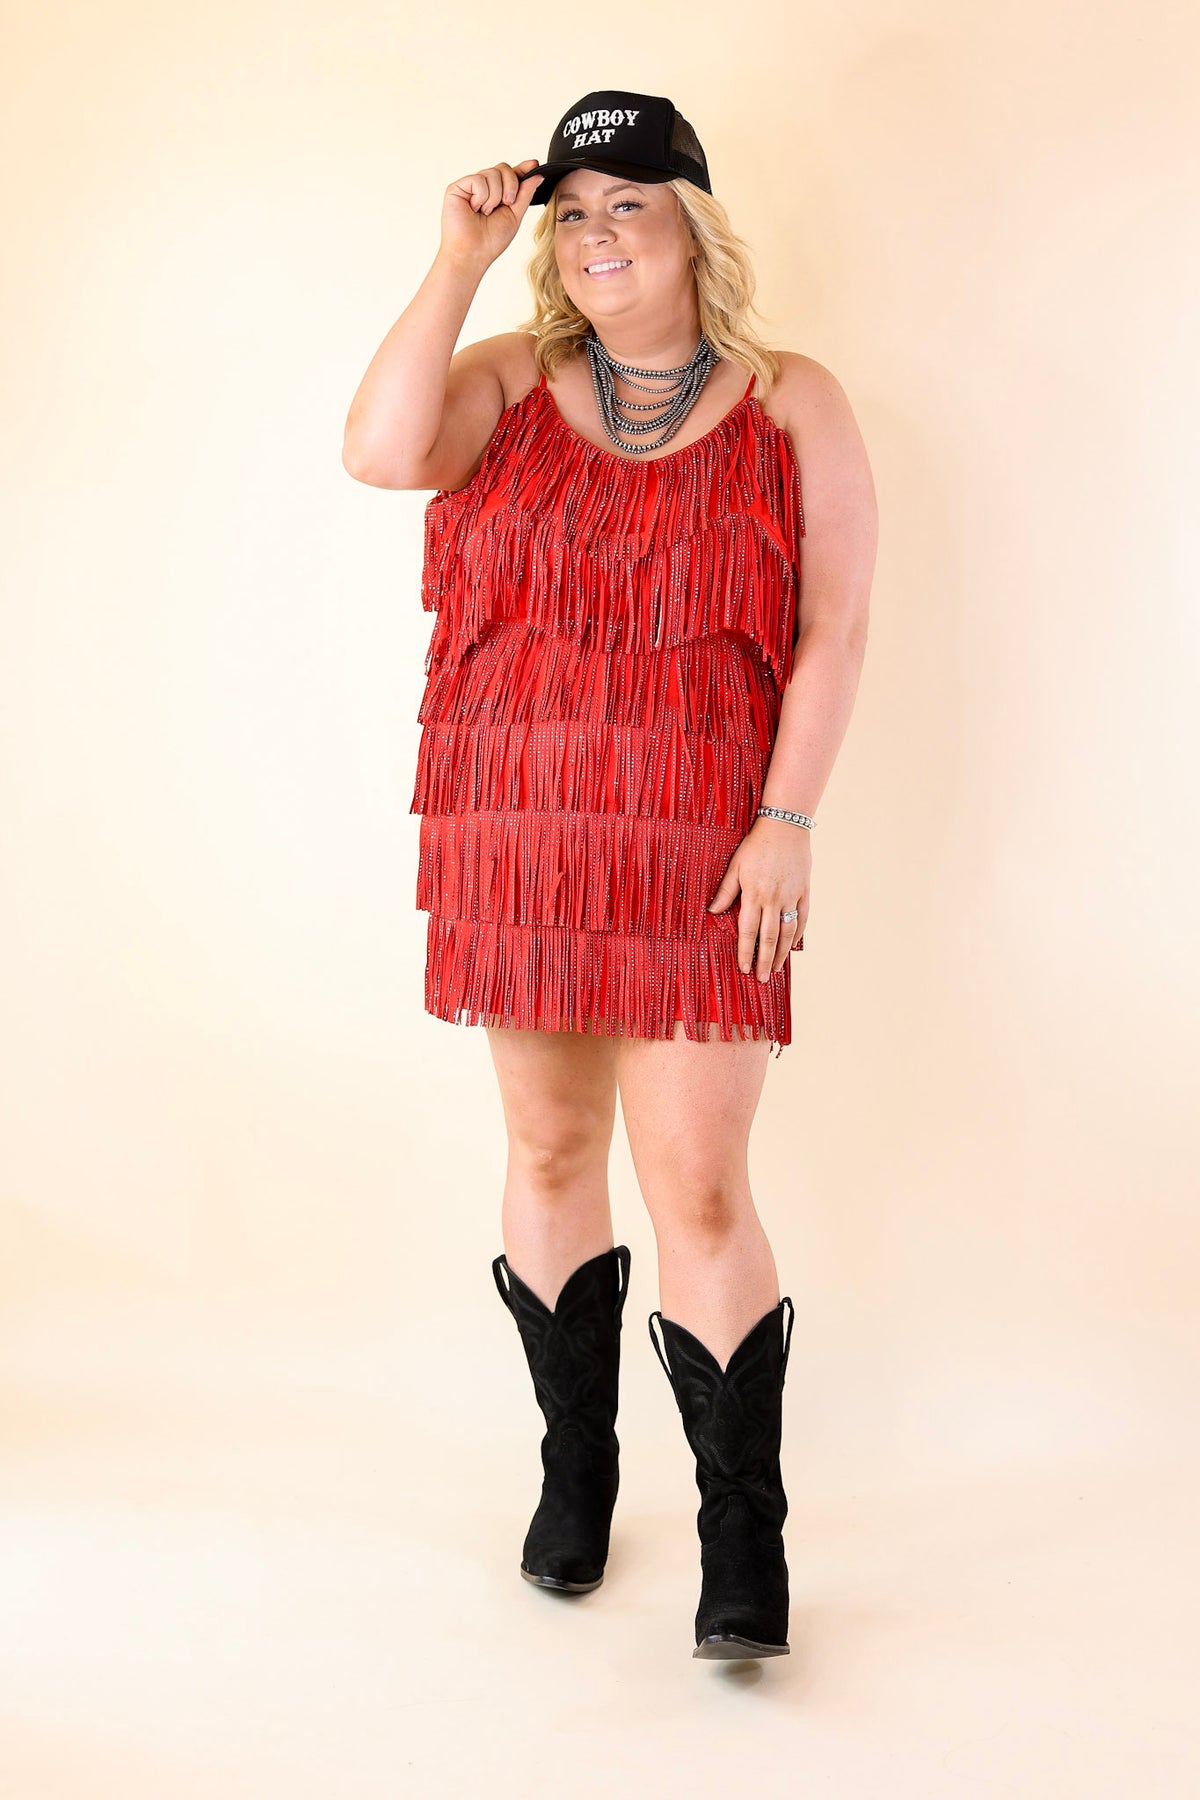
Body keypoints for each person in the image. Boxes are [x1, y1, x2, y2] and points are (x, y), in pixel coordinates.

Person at [343, 89, 877, 1662]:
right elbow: (380, 450)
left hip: (707, 853)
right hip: (520, 834)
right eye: (571, 212)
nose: (593, 237)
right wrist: (459, 258)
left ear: (691, 226)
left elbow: (835, 626)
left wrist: (788, 818)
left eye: (627, 206)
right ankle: (576, 1474)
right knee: (551, 1142)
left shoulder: (793, 402)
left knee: (699, 1181)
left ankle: (741, 1537)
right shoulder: (512, 377)